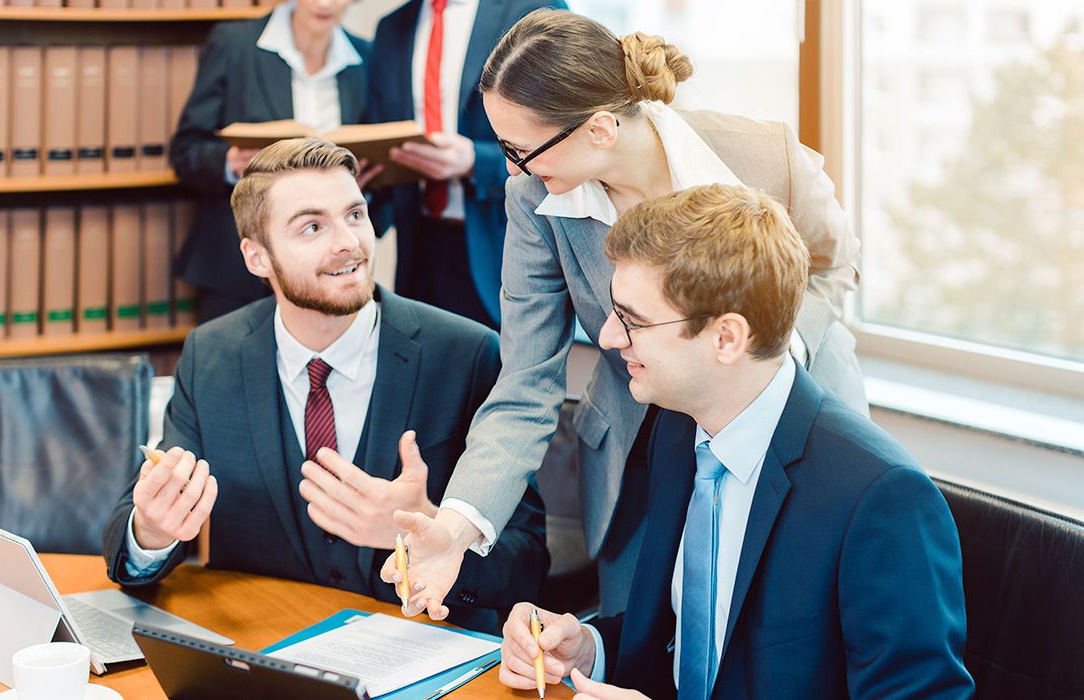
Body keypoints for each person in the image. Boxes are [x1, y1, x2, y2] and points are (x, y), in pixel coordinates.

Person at [383, 9, 868, 620]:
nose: (509, 168)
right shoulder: (534, 198)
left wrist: (775, 350)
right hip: (640, 440)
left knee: (788, 626)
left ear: (602, 129)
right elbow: (525, 382)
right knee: (632, 636)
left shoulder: (764, 156)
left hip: (788, 413)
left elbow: (830, 264)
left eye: (520, 149)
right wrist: (454, 528)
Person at [497, 184, 974, 700]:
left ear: (726, 338)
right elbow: (692, 645)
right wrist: (591, 649)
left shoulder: (881, 498)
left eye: (632, 320)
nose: (609, 337)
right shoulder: (678, 429)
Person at [103, 138, 549, 633]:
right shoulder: (212, 355)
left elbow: (528, 560)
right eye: (313, 226)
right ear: (257, 257)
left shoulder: (465, 354)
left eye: (355, 215)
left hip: (421, 658)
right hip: (263, 658)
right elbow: (138, 528)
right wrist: (153, 530)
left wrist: (433, 530)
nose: (349, 242)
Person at [363, 0, 566, 330]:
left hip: (504, 241)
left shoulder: (533, 8)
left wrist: (475, 161)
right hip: (419, 247)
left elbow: (565, 139)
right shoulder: (393, 26)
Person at [171, 0, 371, 323]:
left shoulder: (365, 56)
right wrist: (230, 162)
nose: (326, 3)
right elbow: (185, 150)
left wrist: (358, 185)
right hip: (236, 269)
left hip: (329, 269)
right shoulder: (235, 44)